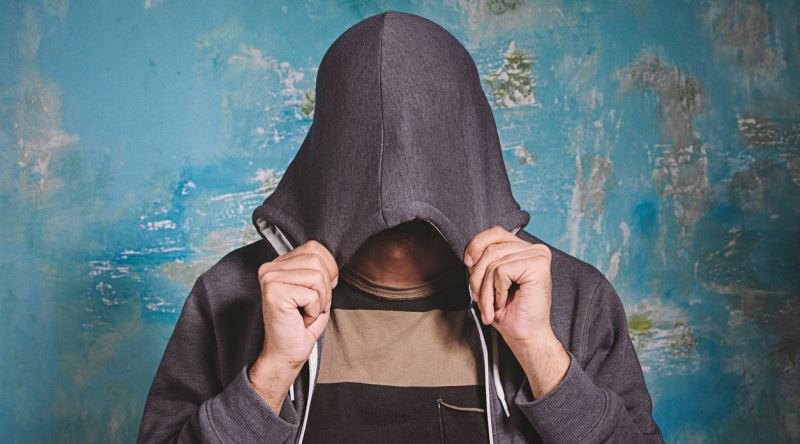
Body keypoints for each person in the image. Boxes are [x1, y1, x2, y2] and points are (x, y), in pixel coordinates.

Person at [137, 10, 664, 444]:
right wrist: (271, 371)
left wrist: (540, 352)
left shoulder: (572, 298)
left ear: (467, 134)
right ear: (326, 144)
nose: (397, 163)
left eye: (426, 125)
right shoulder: (231, 297)